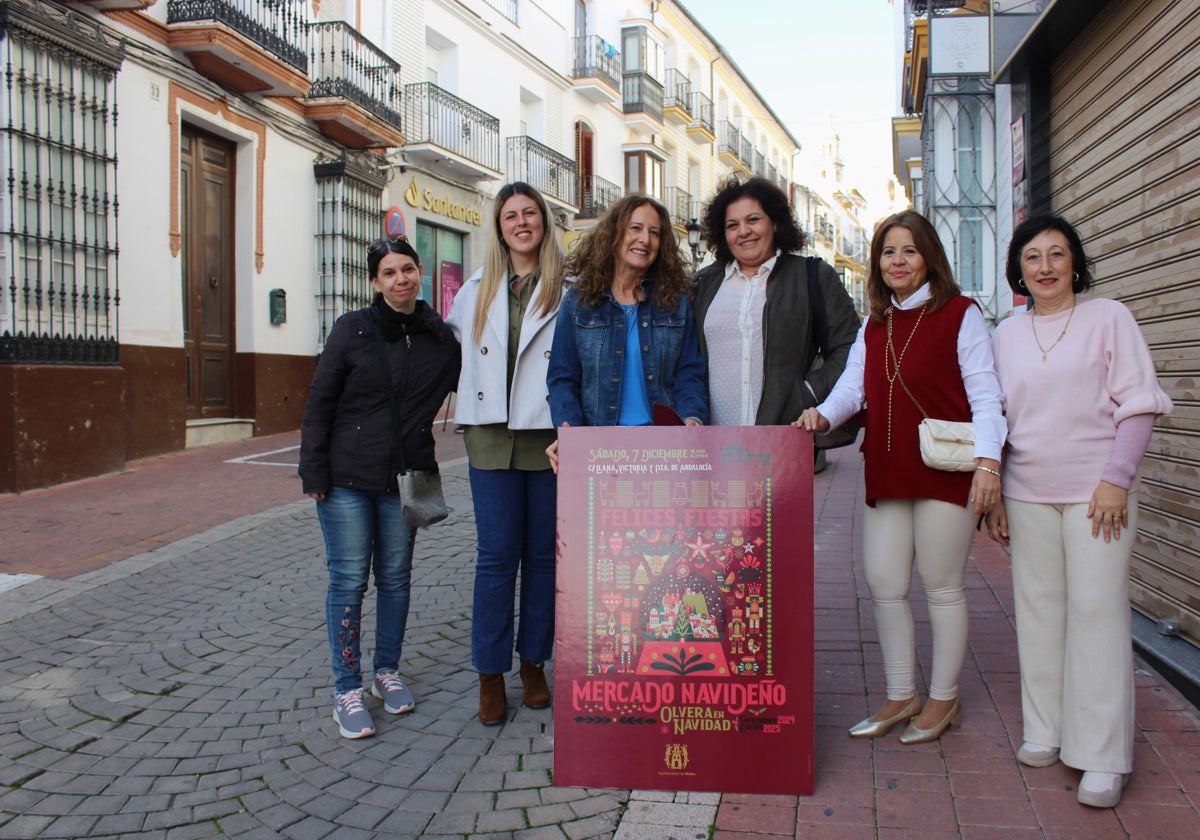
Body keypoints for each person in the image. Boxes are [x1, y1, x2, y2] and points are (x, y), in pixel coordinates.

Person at [796, 210, 1005, 744]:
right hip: (888, 467)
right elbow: (852, 389)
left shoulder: (961, 314)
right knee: (885, 584)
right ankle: (900, 694)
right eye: (889, 251)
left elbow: (986, 397)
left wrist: (988, 465)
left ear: (929, 256)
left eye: (909, 250)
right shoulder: (875, 323)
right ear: (877, 262)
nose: (898, 261)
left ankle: (943, 698)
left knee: (941, 587)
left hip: (945, 469)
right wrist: (821, 414)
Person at [984, 215, 1172, 808]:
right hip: (1027, 492)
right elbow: (1000, 420)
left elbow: (1138, 403)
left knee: (1097, 614)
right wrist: (996, 494)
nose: (1044, 267)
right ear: (1019, 269)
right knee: (1039, 612)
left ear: (1075, 262)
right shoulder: (1005, 336)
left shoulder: (1108, 317)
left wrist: (1118, 479)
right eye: (1032, 257)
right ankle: (1047, 730)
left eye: (1056, 255)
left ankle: (1100, 756)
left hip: (1098, 494)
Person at [299, 236, 460, 739]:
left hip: (405, 480)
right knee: (348, 581)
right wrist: (314, 471)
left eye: (408, 269)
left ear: (420, 274)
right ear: (375, 282)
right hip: (346, 481)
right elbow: (319, 402)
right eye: (389, 273)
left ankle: (386, 672)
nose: (400, 279)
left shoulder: (440, 339)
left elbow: (479, 381)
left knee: (395, 578)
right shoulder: (353, 329)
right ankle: (346, 687)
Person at [445, 182, 564, 726]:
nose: (521, 223)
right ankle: (489, 674)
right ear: (498, 226)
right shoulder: (473, 291)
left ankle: (533, 663)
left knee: (541, 558)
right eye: (511, 215)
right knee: (495, 559)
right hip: (490, 436)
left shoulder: (569, 287)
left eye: (530, 213)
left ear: (543, 221)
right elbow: (449, 359)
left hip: (549, 440)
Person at [692, 177, 859, 468]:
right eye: (732, 225)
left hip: (782, 439)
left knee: (774, 515)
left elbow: (850, 347)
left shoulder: (813, 277)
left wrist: (807, 393)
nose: (743, 231)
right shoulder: (702, 284)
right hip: (711, 445)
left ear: (775, 223)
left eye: (753, 219)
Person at [545, 194, 708, 464]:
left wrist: (692, 418)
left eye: (654, 232)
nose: (645, 239)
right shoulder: (579, 301)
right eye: (635, 228)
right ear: (614, 234)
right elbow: (563, 378)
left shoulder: (675, 303)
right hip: (600, 449)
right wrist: (568, 432)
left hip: (665, 449)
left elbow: (689, 372)